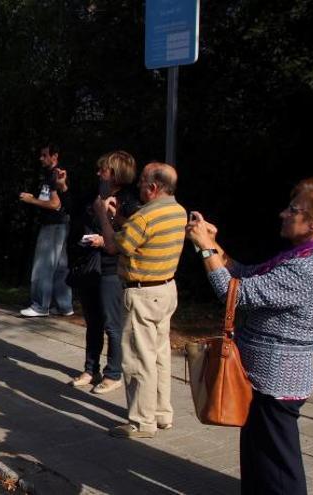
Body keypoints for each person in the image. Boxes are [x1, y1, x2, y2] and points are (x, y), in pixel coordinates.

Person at [186, 179, 313, 494]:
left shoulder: (307, 270)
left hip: (278, 381)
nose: (283, 214)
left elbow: (233, 293)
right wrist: (214, 246)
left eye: (293, 210)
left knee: (279, 469)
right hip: (263, 378)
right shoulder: (302, 258)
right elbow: (245, 273)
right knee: (259, 460)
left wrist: (204, 249)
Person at [93, 162, 187, 438]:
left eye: (142, 183)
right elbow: (140, 236)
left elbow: (114, 246)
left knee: (137, 359)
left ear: (154, 187)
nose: (139, 187)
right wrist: (120, 218)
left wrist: (103, 216)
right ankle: (161, 413)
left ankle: (141, 422)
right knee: (159, 355)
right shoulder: (176, 210)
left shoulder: (144, 217)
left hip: (142, 293)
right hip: (166, 289)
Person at [69, 151, 140, 394]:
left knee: (113, 323)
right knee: (93, 322)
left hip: (111, 268)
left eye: (104, 169)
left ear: (116, 173)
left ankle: (113, 373)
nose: (99, 173)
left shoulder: (129, 201)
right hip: (89, 265)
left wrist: (108, 233)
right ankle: (91, 369)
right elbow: (74, 215)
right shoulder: (96, 195)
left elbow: (134, 235)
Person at [19, 142, 73, 317]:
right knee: (60, 267)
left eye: (44, 155)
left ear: (54, 156)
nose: (41, 158)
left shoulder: (55, 175)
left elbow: (55, 204)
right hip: (61, 225)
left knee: (43, 265)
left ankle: (40, 305)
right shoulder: (52, 174)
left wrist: (31, 200)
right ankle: (64, 305)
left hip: (53, 224)